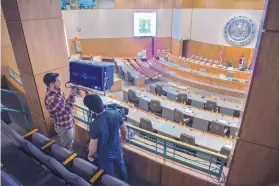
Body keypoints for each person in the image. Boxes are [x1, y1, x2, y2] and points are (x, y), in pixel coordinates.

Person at [83, 94, 128, 182]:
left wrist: (90, 155)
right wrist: (123, 137)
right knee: (121, 167)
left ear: (91, 109)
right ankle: (125, 182)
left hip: (105, 155)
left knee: (109, 175)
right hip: (117, 149)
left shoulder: (94, 125)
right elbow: (124, 130)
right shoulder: (115, 113)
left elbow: (93, 147)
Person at [43, 73, 76, 150]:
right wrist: (71, 96)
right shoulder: (51, 99)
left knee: (70, 141)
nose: (60, 83)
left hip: (68, 122)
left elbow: (65, 105)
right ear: (51, 84)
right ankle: (66, 159)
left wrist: (70, 96)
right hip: (64, 126)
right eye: (58, 81)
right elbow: (66, 111)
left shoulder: (58, 91)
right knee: (67, 146)